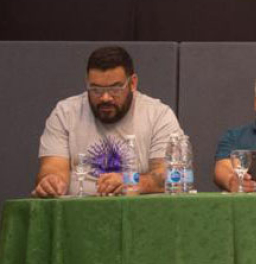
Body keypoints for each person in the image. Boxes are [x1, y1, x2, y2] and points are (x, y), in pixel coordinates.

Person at [35, 45, 182, 197]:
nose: (105, 97)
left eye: (115, 89)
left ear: (132, 84)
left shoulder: (158, 115)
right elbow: (53, 168)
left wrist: (131, 182)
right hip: (78, 210)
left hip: (138, 212)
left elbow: (169, 176)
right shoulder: (65, 113)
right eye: (96, 89)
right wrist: (51, 182)